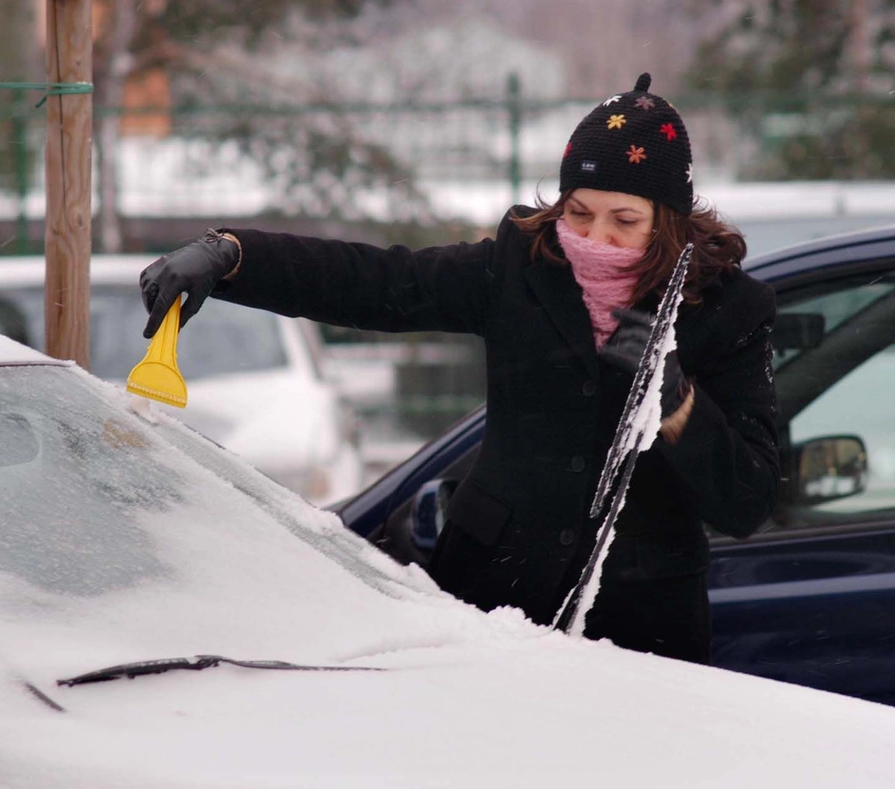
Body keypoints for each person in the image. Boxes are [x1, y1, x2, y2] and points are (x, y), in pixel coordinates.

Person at [139, 73, 779, 665]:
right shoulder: (521, 270)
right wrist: (231, 256)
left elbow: (747, 500)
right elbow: (376, 282)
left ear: (668, 221)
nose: (595, 237)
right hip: (493, 598)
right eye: (578, 212)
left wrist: (675, 402)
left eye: (625, 220)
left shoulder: (727, 309)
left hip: (642, 626)